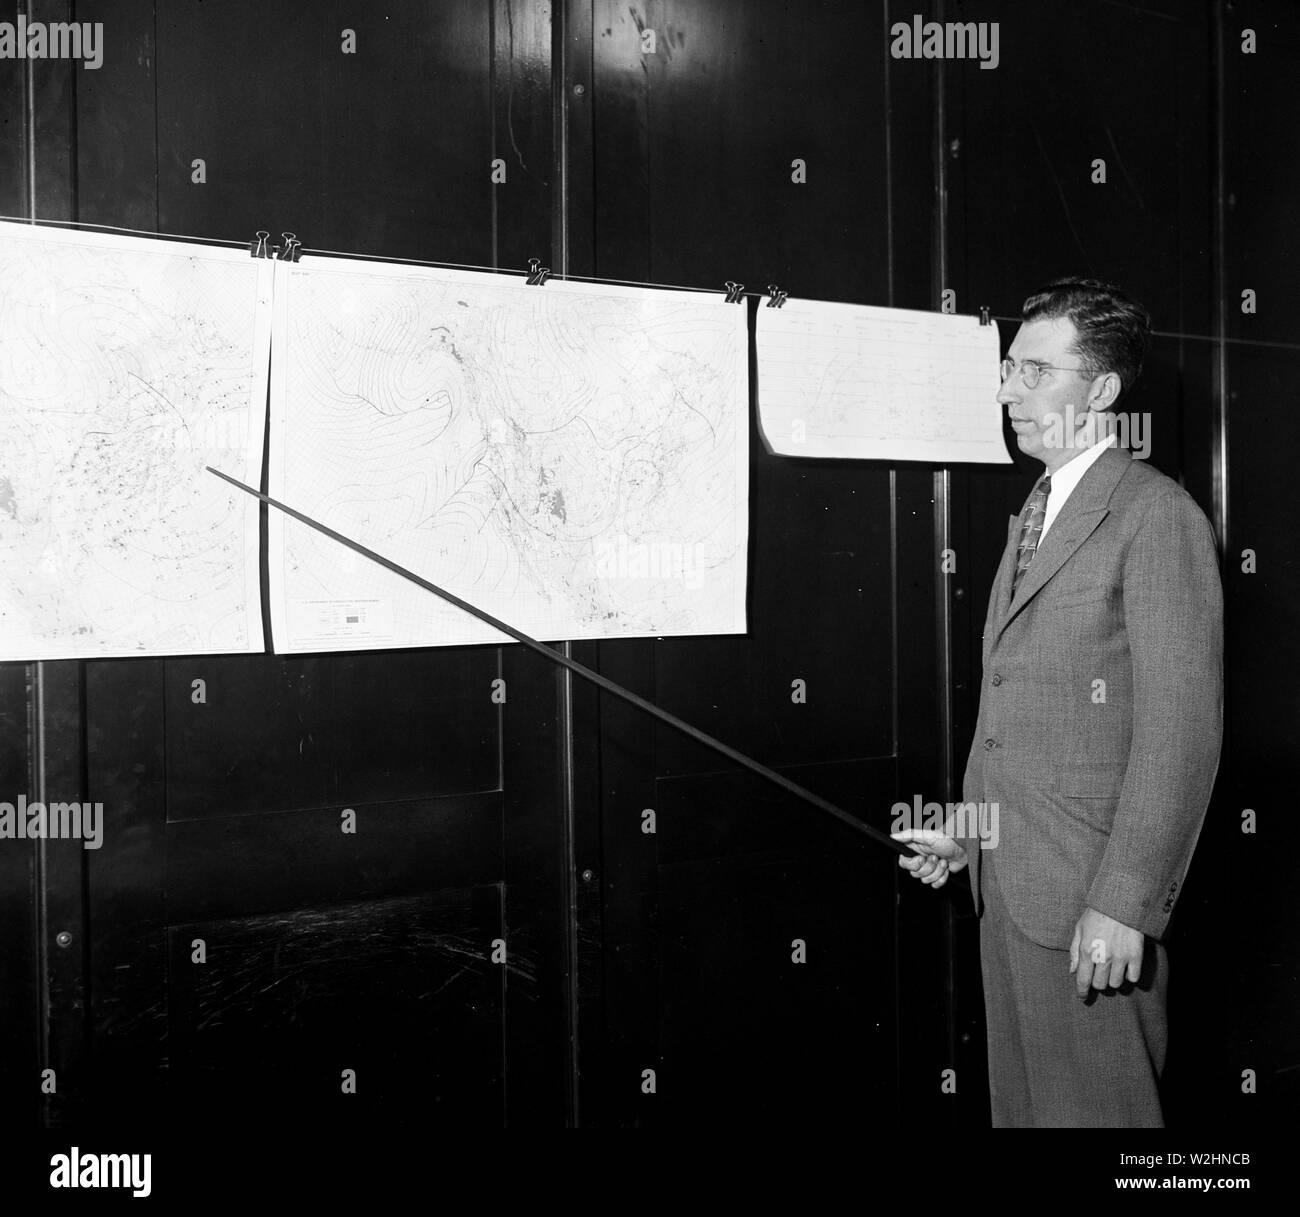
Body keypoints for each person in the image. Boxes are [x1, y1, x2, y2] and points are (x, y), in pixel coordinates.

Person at [893, 278, 1224, 1127]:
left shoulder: (1157, 516)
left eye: (1034, 371)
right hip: (1010, 897)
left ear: (1103, 390)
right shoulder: (1034, 513)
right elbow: (1025, 717)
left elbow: (1178, 733)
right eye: (1009, 367)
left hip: (1091, 911)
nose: (1007, 390)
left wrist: (1124, 902)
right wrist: (970, 832)